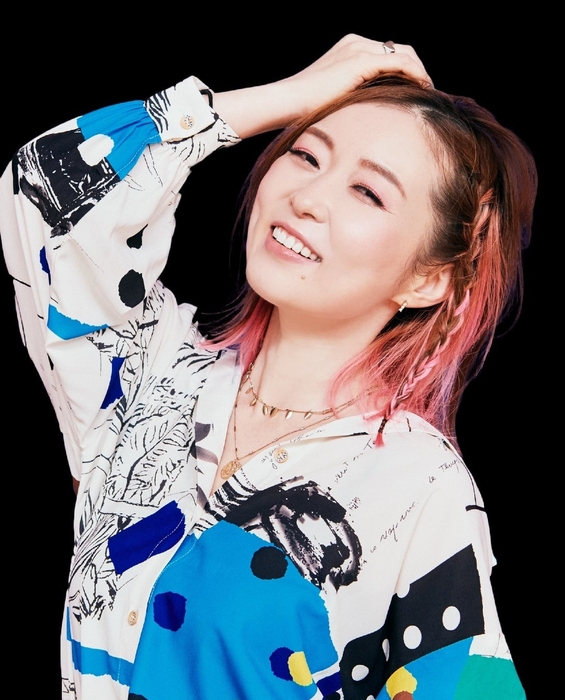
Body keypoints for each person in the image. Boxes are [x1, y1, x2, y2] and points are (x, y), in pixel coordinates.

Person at [0, 35, 534, 699]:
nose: (307, 197)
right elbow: (46, 194)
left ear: (426, 279)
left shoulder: (418, 486)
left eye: (367, 192)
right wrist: (294, 94)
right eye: (305, 154)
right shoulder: (148, 369)